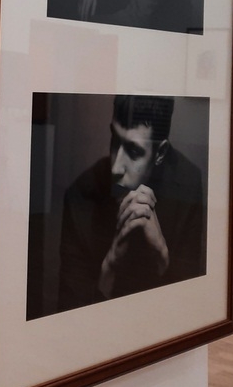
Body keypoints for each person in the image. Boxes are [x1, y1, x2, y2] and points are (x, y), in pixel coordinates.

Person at [58, 95, 205, 311]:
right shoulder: (80, 195)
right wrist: (110, 265)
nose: (116, 167)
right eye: (114, 140)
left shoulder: (188, 182)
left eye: (134, 151)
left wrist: (162, 255)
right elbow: (71, 311)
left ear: (160, 153)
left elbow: (189, 306)